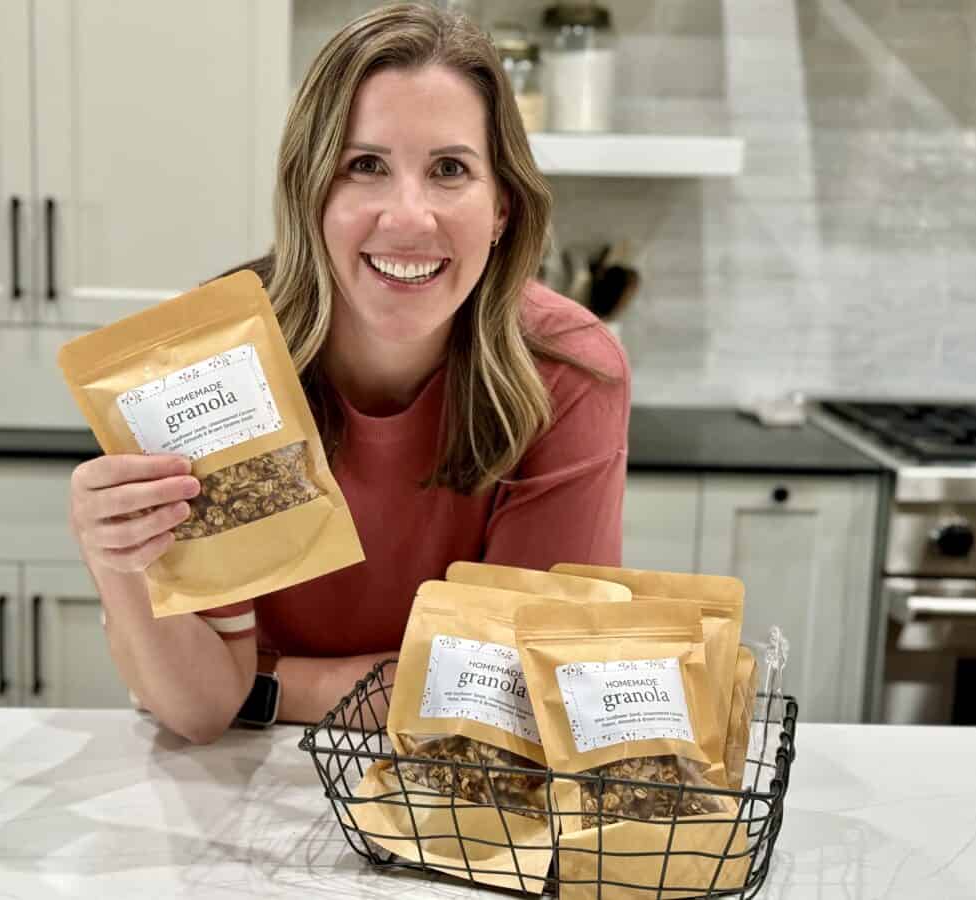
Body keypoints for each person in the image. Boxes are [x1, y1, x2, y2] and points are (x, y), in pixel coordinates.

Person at [67, 3, 630, 744]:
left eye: (450, 170)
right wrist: (117, 565)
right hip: (242, 779)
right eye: (365, 166)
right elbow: (197, 708)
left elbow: (528, 688)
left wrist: (270, 684)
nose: (408, 217)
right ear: (312, 195)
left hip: (463, 794)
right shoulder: (213, 360)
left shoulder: (566, 368)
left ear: (502, 207)